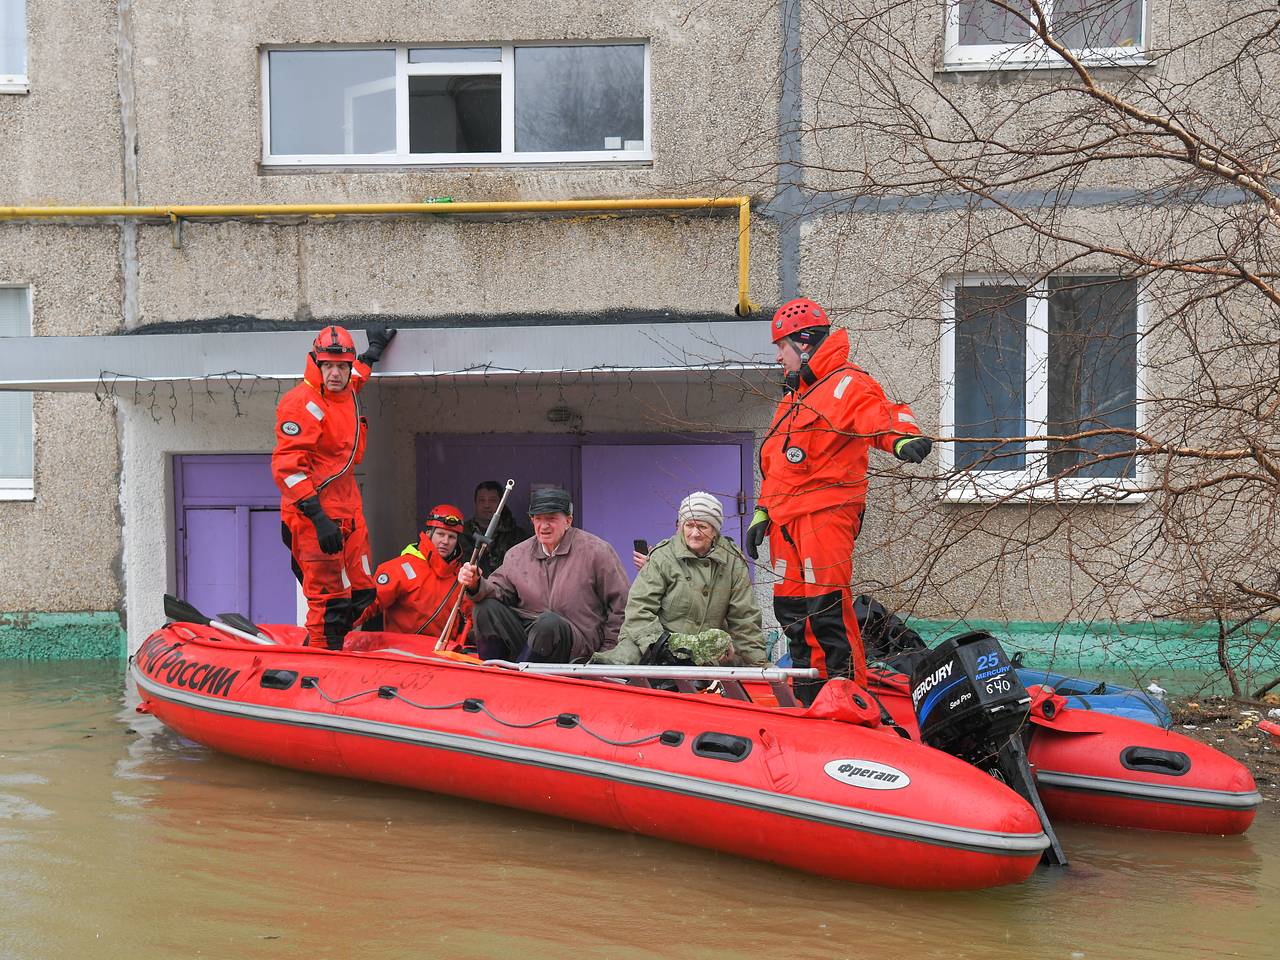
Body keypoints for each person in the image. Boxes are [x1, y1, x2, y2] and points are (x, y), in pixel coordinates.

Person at [745, 298, 930, 703]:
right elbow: (778, 465)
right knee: (793, 611)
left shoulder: (845, 383)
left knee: (826, 609)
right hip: (787, 522)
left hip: (825, 514)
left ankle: (848, 697)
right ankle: (813, 695)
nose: (778, 355)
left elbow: (877, 414)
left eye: (782, 346)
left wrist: (901, 438)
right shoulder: (793, 399)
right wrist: (762, 511)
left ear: (804, 342)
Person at [272, 324, 396, 649]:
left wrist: (373, 353)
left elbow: (358, 377)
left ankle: (333, 645)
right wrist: (317, 517)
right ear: (317, 364)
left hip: (347, 507)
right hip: (312, 514)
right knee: (330, 601)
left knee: (363, 592)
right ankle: (319, 657)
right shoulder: (301, 403)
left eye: (342, 366)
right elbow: (287, 470)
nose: (336, 373)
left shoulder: (347, 389)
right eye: (329, 366)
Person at [591, 492, 767, 667]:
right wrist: (666, 647)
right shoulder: (662, 557)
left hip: (706, 659)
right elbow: (639, 611)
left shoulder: (733, 562)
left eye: (703, 527)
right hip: (652, 650)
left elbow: (745, 620)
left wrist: (759, 667)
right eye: (689, 525)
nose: (695, 533)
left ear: (715, 531)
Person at [457, 486, 629, 663]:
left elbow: (622, 606)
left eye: (551, 519)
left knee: (549, 624)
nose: (544, 526)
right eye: (538, 519)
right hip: (530, 638)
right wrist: (475, 583)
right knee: (485, 608)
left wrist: (607, 653)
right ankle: (493, 672)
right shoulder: (518, 554)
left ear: (568, 521)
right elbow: (497, 590)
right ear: (532, 521)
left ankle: (521, 679)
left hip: (577, 645)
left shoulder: (596, 551)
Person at [364, 504, 472, 647]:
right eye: (440, 534)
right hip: (402, 656)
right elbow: (368, 605)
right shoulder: (398, 568)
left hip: (442, 658)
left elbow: (475, 618)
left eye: (451, 537)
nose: (445, 541)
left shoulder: (462, 577)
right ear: (428, 534)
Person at [464, 480, 530, 576]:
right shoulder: (461, 533)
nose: (486, 505)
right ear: (475, 503)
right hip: (472, 589)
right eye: (482, 500)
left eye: (492, 500)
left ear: (501, 503)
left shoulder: (518, 536)